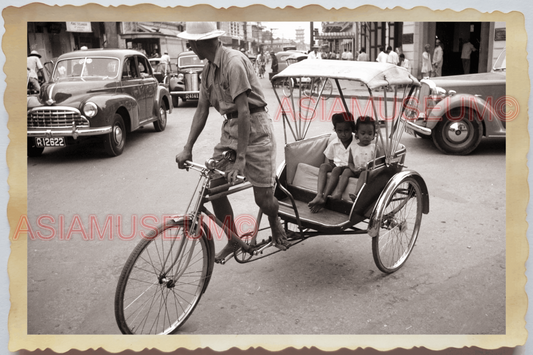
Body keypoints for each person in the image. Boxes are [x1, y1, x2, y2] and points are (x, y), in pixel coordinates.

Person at [175, 22, 289, 262]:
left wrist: (241, 159)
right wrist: (188, 147)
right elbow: (201, 111)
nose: (190, 47)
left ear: (198, 43)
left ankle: (274, 221)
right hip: (230, 131)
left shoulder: (233, 62)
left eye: (190, 43)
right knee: (215, 189)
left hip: (256, 130)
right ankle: (233, 240)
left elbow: (245, 111)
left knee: (264, 199)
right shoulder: (207, 69)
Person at [308, 112, 358, 213]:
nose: (343, 134)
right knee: (323, 166)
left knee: (336, 169)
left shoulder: (357, 143)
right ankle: (319, 194)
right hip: (337, 165)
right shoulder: (334, 143)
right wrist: (332, 165)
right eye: (339, 131)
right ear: (335, 130)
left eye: (347, 130)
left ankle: (324, 197)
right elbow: (330, 159)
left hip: (350, 168)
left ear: (352, 129)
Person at [348, 116, 380, 201]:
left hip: (369, 172)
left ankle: (356, 193)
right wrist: (353, 169)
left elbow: (378, 162)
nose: (366, 136)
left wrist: (368, 168)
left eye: (370, 134)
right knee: (345, 172)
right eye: (363, 133)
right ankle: (338, 192)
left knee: (363, 173)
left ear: (373, 135)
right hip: (356, 170)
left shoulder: (374, 147)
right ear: (357, 134)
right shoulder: (353, 147)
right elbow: (350, 162)